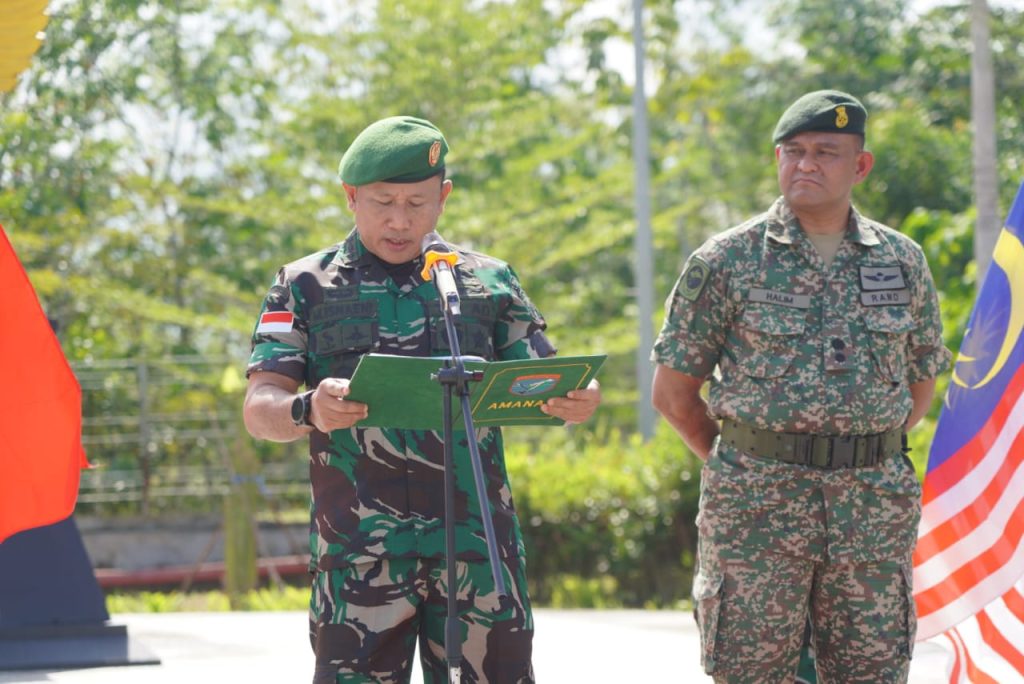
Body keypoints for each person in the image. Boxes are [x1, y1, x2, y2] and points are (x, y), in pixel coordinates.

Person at [242, 115, 601, 684]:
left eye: (418, 202)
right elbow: (261, 405)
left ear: (444, 198)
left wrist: (577, 396)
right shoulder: (304, 285)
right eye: (383, 201)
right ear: (351, 197)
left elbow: (544, 375)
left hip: (478, 552)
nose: (400, 220)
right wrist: (308, 408)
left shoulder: (487, 282)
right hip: (361, 553)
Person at [650, 90, 952, 683]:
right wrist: (748, 459)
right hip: (757, 511)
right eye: (793, 151)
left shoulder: (902, 260)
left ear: (860, 166)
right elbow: (673, 393)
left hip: (871, 510)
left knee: (873, 672)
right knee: (750, 673)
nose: (806, 164)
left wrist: (854, 446)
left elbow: (919, 386)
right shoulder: (728, 260)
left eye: (825, 152)